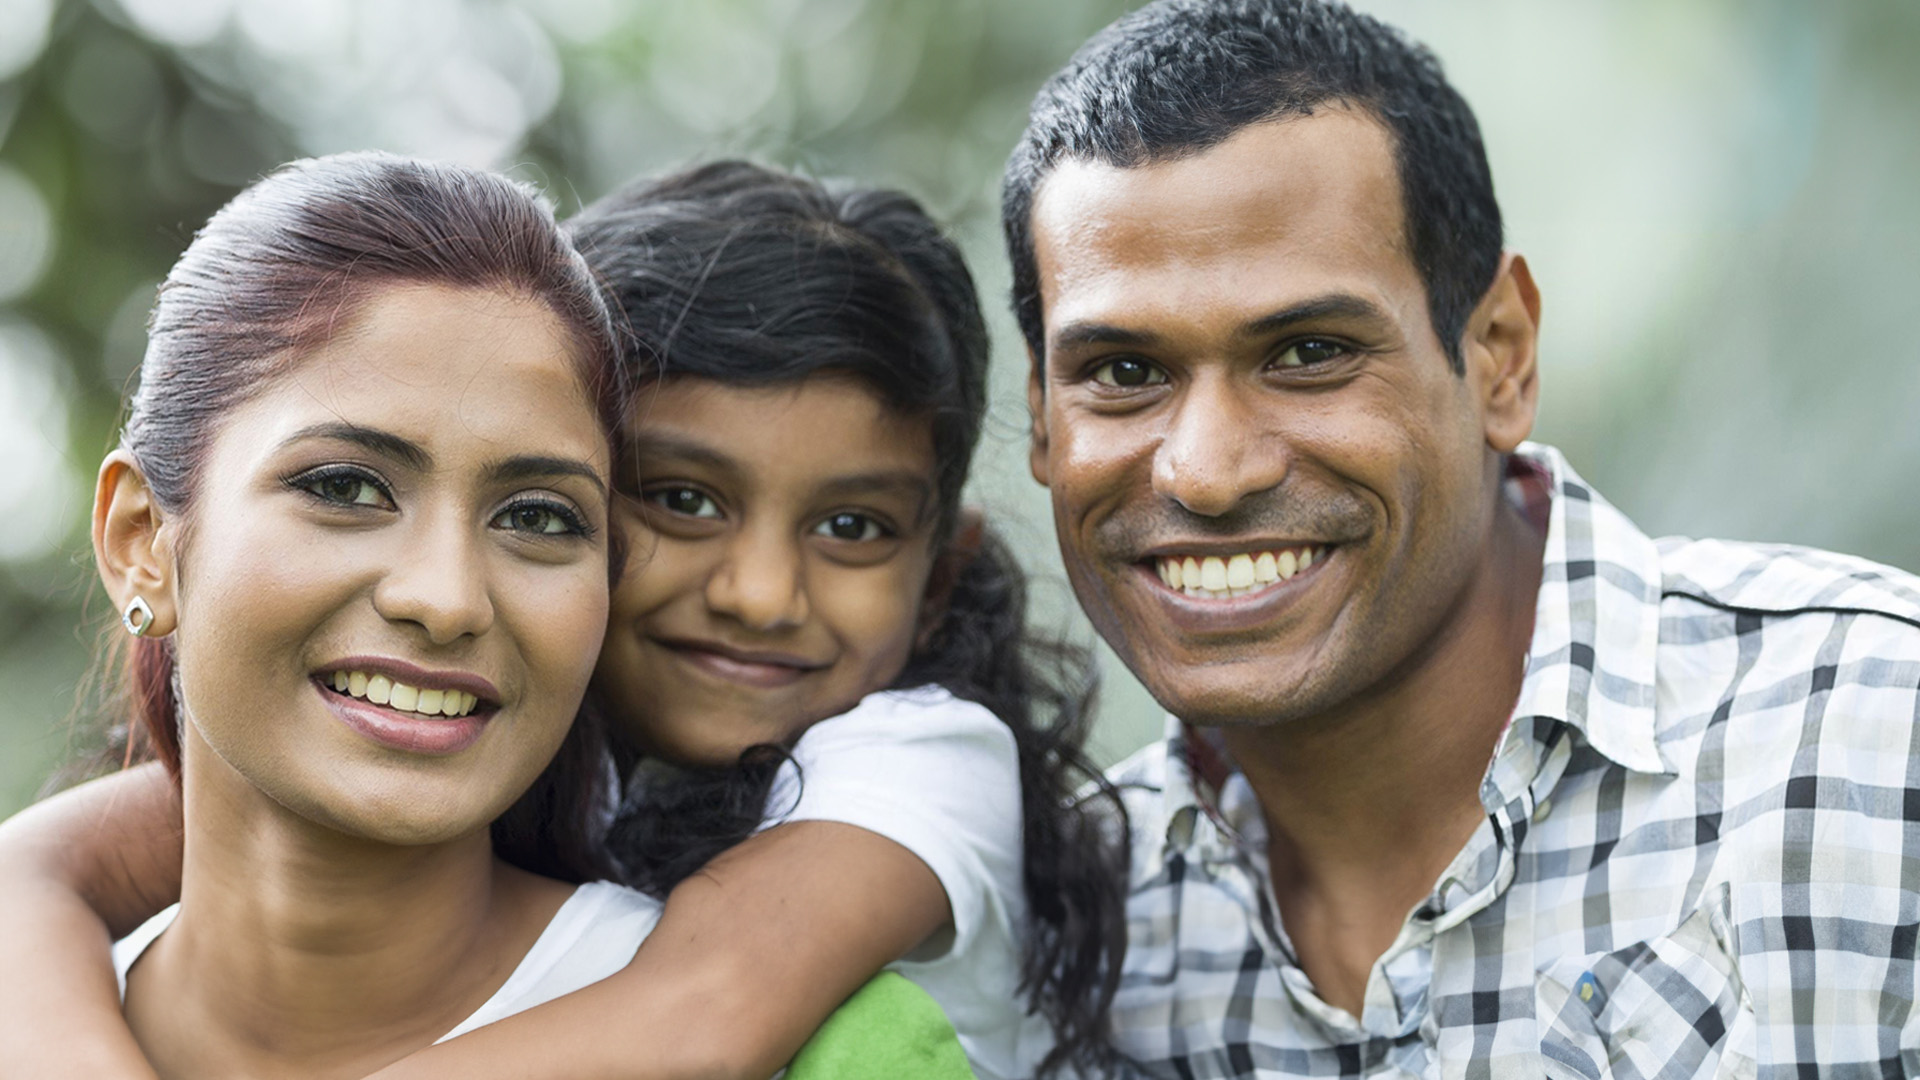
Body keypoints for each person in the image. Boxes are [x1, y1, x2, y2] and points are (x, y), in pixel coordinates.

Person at [0, 161, 1123, 1079]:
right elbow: (42, 865)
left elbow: (707, 1007)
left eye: (535, 514)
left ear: (941, 573)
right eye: (683, 500)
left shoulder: (919, 762)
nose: (759, 593)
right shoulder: (527, 761)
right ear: (142, 538)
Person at [1002, 0, 1920, 1075]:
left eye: (1307, 352)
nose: (1206, 470)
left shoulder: (1869, 746)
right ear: (1040, 419)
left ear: (1499, 358)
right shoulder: (1065, 932)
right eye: (1124, 374)